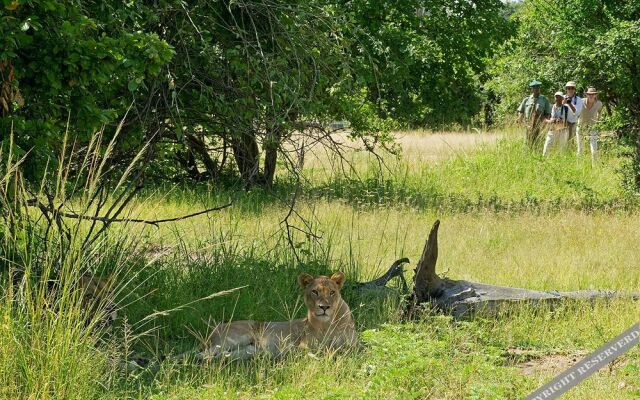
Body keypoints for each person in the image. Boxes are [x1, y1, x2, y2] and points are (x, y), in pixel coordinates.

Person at [517, 80, 552, 147]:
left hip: (540, 125)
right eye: (534, 87)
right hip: (528, 125)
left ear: (539, 88)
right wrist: (522, 121)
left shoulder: (544, 99)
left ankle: (538, 156)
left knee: (539, 143)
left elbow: (548, 114)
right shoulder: (526, 100)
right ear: (531, 89)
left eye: (538, 87)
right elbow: (520, 111)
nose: (536, 89)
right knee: (528, 144)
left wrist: (544, 125)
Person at [576, 87, 603, 160]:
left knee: (594, 149)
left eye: (593, 94)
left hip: (593, 126)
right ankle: (579, 166)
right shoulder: (581, 102)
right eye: (589, 94)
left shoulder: (599, 103)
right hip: (581, 126)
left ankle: (595, 168)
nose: (591, 96)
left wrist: (598, 123)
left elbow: (600, 113)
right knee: (580, 149)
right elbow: (575, 112)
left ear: (595, 95)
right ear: (586, 95)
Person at [542, 91, 569, 156]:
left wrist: (554, 120)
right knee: (547, 146)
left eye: (559, 97)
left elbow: (566, 121)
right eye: (556, 97)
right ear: (555, 98)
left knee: (561, 148)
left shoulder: (566, 108)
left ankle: (561, 161)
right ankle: (544, 159)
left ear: (562, 98)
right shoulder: (551, 107)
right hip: (552, 129)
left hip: (562, 130)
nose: (558, 99)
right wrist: (551, 121)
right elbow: (545, 119)